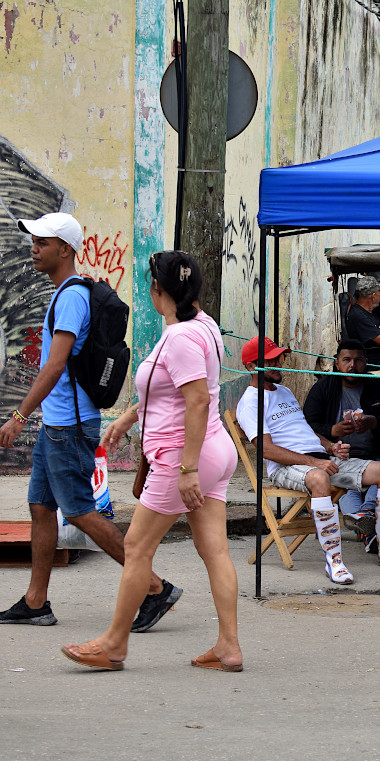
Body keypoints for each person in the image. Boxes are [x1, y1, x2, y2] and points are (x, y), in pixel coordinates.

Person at [61, 251, 242, 671]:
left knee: (137, 547)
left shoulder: (179, 338)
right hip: (215, 450)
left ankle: (113, 645)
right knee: (214, 550)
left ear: (156, 289)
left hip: (183, 456)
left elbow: (196, 400)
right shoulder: (201, 324)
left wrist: (187, 469)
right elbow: (170, 391)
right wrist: (128, 417)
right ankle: (228, 647)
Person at [0, 213, 181, 630]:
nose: (34, 248)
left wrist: (18, 415)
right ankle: (35, 601)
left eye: (42, 242)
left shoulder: (71, 298)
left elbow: (55, 364)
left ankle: (154, 587)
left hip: (69, 427)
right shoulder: (65, 293)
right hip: (57, 426)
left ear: (65, 249)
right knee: (41, 507)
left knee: (80, 510)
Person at [235, 337, 380, 582]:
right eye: (269, 360)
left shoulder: (285, 392)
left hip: (320, 459)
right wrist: (315, 462)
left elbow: (306, 431)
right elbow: (266, 450)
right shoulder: (250, 402)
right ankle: (334, 562)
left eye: (278, 358)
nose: (277, 364)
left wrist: (331, 446)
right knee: (319, 477)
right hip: (287, 466)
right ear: (251, 366)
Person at [303, 339, 380, 554]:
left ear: (366, 363)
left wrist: (374, 422)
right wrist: (332, 431)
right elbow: (307, 426)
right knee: (347, 491)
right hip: (337, 460)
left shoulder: (376, 385)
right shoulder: (323, 388)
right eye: (346, 360)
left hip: (371, 457)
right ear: (337, 363)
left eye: (358, 360)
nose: (352, 365)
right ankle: (368, 529)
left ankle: (364, 516)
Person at [343, 274, 380, 369]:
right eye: (379, 293)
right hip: (373, 362)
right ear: (373, 295)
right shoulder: (359, 316)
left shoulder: (367, 313)